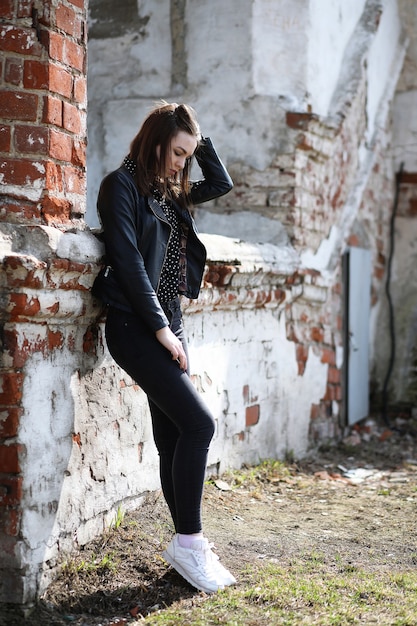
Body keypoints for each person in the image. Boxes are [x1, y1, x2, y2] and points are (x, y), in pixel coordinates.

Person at [92, 101, 235, 593]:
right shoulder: (121, 188)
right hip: (137, 327)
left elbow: (221, 185)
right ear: (154, 141)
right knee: (199, 423)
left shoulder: (168, 193)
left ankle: (185, 545)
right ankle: (190, 544)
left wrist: (197, 133)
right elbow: (129, 263)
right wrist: (161, 331)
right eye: (177, 152)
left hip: (167, 323)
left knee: (174, 436)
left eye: (187, 155)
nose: (182, 163)